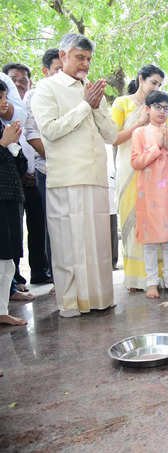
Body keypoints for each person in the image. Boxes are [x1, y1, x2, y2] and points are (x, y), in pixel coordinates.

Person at [31, 33, 118, 317]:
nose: (85, 64)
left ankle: (99, 299)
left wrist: (97, 107)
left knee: (97, 246)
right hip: (67, 178)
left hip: (95, 176)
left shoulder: (91, 89)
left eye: (89, 59)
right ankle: (71, 304)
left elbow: (111, 134)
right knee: (70, 246)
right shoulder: (46, 88)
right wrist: (85, 106)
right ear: (63, 55)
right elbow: (51, 130)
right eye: (80, 57)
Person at [111, 64, 165, 290]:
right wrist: (139, 124)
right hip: (129, 168)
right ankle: (136, 277)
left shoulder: (158, 107)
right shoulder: (121, 103)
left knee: (155, 219)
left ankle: (158, 276)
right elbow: (113, 138)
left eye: (160, 85)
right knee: (132, 221)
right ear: (140, 79)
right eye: (153, 82)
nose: (156, 88)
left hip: (155, 170)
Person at [131, 91, 168, 298]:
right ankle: (152, 281)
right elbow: (136, 162)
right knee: (151, 240)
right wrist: (157, 147)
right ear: (148, 109)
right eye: (157, 107)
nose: (162, 111)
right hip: (149, 193)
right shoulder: (139, 133)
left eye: (165, 108)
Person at [3, 62, 53, 289]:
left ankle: (40, 273)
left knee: (39, 226)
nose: (19, 82)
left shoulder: (34, 104)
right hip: (11, 181)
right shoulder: (5, 115)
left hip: (37, 176)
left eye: (23, 79)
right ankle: (14, 280)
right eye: (14, 78)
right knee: (11, 230)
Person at [26, 49, 62, 297]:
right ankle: (57, 279)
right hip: (47, 169)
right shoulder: (36, 94)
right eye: (57, 69)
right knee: (52, 226)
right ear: (45, 71)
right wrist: (59, 156)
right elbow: (32, 134)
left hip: (73, 171)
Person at [0, 80, 28, 326]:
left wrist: (12, 144)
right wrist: (2, 143)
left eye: (4, 97)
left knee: (8, 257)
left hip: (11, 197)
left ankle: (2, 308)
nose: (4, 102)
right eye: (0, 98)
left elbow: (21, 167)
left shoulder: (4, 127)